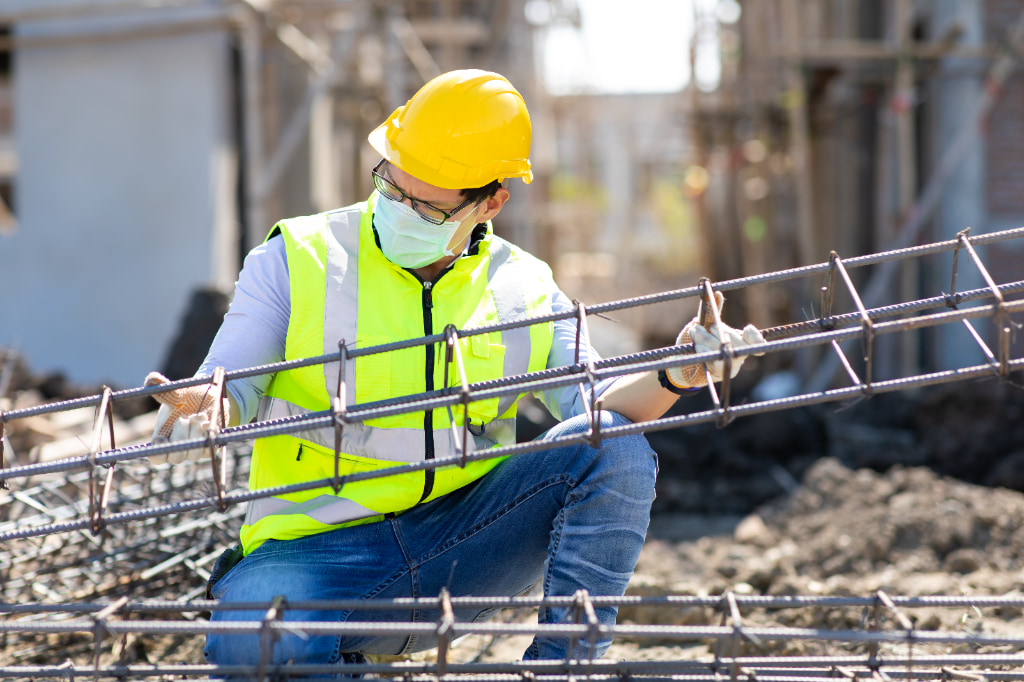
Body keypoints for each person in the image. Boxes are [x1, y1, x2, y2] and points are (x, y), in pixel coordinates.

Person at [144, 69, 765, 671]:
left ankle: (563, 669)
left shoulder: (522, 285)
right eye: (391, 188)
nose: (401, 210)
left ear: (492, 201)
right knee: (256, 637)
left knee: (616, 450)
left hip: (467, 540)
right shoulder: (297, 258)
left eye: (428, 207)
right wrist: (209, 404)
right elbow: (231, 381)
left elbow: (597, 405)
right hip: (317, 551)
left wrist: (679, 373)